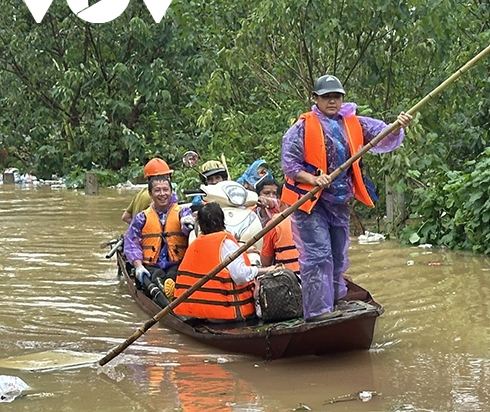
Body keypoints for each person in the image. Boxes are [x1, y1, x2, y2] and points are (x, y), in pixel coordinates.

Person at [280, 74, 411, 321]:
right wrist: (314, 179)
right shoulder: (302, 127)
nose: (332, 101)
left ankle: (335, 301)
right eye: (327, 97)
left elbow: (383, 135)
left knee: (339, 255)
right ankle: (318, 312)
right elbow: (290, 165)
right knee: (318, 255)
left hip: (338, 201)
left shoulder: (353, 122)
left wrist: (398, 125)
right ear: (316, 99)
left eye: (336, 97)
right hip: (311, 202)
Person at [173, 203, 279, 321]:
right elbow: (240, 276)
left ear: (200, 224)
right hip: (226, 314)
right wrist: (266, 270)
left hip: (199, 312)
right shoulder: (226, 243)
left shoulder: (195, 244)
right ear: (222, 220)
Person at [124, 171, 194, 295]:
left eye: (166, 190)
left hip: (176, 263)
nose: (162, 194)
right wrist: (138, 266)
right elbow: (132, 244)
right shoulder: (141, 217)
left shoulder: (182, 213)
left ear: (171, 192)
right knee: (156, 276)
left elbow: (188, 228)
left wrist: (187, 223)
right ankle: (163, 292)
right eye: (157, 190)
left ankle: (172, 293)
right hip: (152, 265)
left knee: (174, 275)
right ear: (150, 194)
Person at [256, 176, 300, 272]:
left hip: (289, 279)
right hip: (316, 276)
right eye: (267, 193)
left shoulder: (274, 223)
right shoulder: (317, 218)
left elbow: (265, 262)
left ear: (279, 201)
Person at [120, 157, 173, 223]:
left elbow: (126, 217)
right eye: (167, 176)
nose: (168, 179)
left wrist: (137, 228)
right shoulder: (158, 197)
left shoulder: (141, 193)